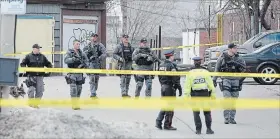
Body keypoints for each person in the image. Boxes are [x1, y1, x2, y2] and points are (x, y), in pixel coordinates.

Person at [212, 43, 246, 124]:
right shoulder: (222, 57)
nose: (236, 49)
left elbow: (244, 70)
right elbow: (217, 68)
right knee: (227, 99)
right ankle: (226, 118)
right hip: (226, 80)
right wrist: (214, 79)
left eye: (236, 48)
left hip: (235, 81)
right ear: (230, 49)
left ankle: (232, 118)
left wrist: (240, 81)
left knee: (234, 100)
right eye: (235, 48)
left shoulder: (239, 58)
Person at [184, 56, 216, 135]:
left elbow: (187, 86)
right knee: (207, 113)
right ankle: (209, 129)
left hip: (195, 94)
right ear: (201, 62)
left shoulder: (190, 73)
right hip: (205, 94)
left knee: (196, 113)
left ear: (194, 63)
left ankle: (198, 130)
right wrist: (213, 95)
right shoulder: (205, 72)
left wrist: (186, 97)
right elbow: (210, 85)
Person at [156, 49, 182, 130]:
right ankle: (167, 125)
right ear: (170, 56)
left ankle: (158, 121)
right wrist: (179, 87)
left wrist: (163, 85)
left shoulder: (161, 65)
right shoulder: (171, 66)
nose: (174, 57)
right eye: (173, 55)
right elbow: (175, 78)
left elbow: (159, 77)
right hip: (170, 88)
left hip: (163, 87)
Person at [20, 44, 52, 108]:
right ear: (34, 49)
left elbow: (48, 63)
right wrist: (24, 68)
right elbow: (22, 63)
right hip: (31, 76)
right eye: (37, 48)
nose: (38, 50)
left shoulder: (42, 56)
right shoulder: (28, 56)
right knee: (31, 89)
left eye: (39, 49)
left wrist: (50, 68)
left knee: (40, 90)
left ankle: (36, 104)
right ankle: (31, 104)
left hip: (40, 76)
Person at [64, 40, 89, 110]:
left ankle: (77, 103)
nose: (78, 45)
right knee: (73, 89)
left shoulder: (82, 53)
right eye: (77, 44)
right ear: (73, 45)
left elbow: (87, 61)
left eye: (79, 44)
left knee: (79, 89)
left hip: (80, 73)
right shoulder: (70, 52)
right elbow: (66, 60)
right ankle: (74, 104)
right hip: (72, 73)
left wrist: (84, 65)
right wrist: (73, 59)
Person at [83, 33, 106, 99]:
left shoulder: (100, 45)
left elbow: (104, 53)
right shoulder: (88, 45)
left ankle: (94, 91)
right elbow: (83, 54)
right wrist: (89, 55)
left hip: (97, 64)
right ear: (91, 37)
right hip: (91, 64)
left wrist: (99, 57)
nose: (94, 38)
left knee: (96, 78)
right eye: (93, 36)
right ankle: (93, 93)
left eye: (96, 37)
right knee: (92, 78)